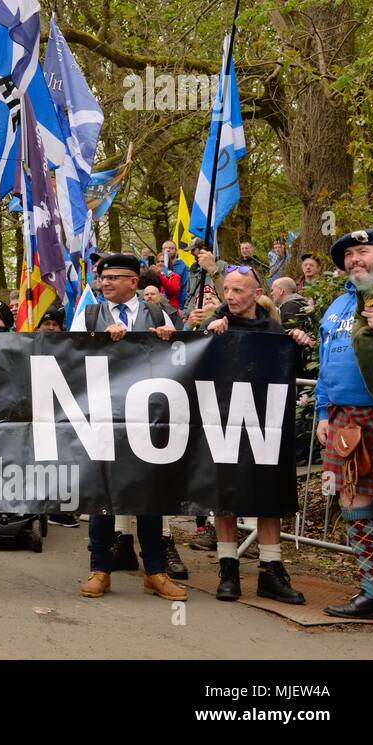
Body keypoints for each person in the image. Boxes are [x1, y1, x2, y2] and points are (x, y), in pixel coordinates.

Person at [70, 253, 187, 602]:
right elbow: (69, 355)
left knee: (149, 492)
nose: (104, 283)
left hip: (148, 417)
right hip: (105, 414)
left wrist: (171, 338)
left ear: (134, 282)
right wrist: (98, 339)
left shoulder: (156, 313)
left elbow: (180, 359)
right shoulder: (89, 314)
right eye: (102, 278)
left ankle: (155, 571)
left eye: (113, 278)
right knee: (102, 493)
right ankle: (99, 569)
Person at [204, 267, 312, 604]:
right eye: (227, 290)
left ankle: (271, 570)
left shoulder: (274, 329)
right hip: (222, 421)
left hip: (266, 422)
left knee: (269, 495)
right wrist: (207, 334)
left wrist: (298, 344)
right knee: (225, 495)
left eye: (238, 290)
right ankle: (228, 569)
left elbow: (292, 371)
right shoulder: (213, 326)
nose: (231, 296)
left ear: (256, 293)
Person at [313, 229, 373, 618]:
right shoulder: (338, 304)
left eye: (363, 251)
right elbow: (327, 362)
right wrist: (323, 411)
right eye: (349, 255)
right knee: (354, 502)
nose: (355, 260)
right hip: (345, 420)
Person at [184, 241, 226, 312]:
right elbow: (189, 295)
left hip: (216, 312)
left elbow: (226, 293)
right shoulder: (193, 268)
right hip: (195, 313)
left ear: (203, 249)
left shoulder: (221, 266)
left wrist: (213, 270)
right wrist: (186, 314)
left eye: (193, 250)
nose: (191, 253)